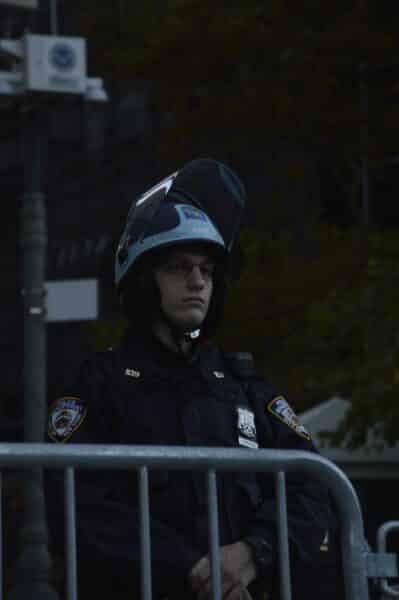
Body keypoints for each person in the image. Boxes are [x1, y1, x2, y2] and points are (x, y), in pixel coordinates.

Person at [46, 158, 342, 600]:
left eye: (206, 270)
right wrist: (196, 571)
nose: (197, 281)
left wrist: (253, 553)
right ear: (145, 280)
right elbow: (80, 506)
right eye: (179, 267)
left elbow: (317, 489)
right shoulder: (97, 384)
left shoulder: (244, 385)